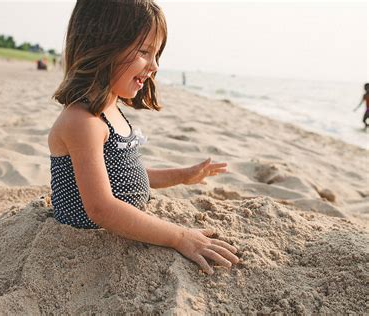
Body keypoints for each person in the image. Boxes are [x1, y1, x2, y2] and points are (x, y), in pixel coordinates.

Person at [48, 0, 239, 275]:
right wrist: (180, 236)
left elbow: (123, 176)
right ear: (102, 45)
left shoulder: (110, 109)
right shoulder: (82, 122)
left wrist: (183, 175)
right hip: (89, 248)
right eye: (144, 52)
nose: (155, 66)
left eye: (157, 54)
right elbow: (101, 208)